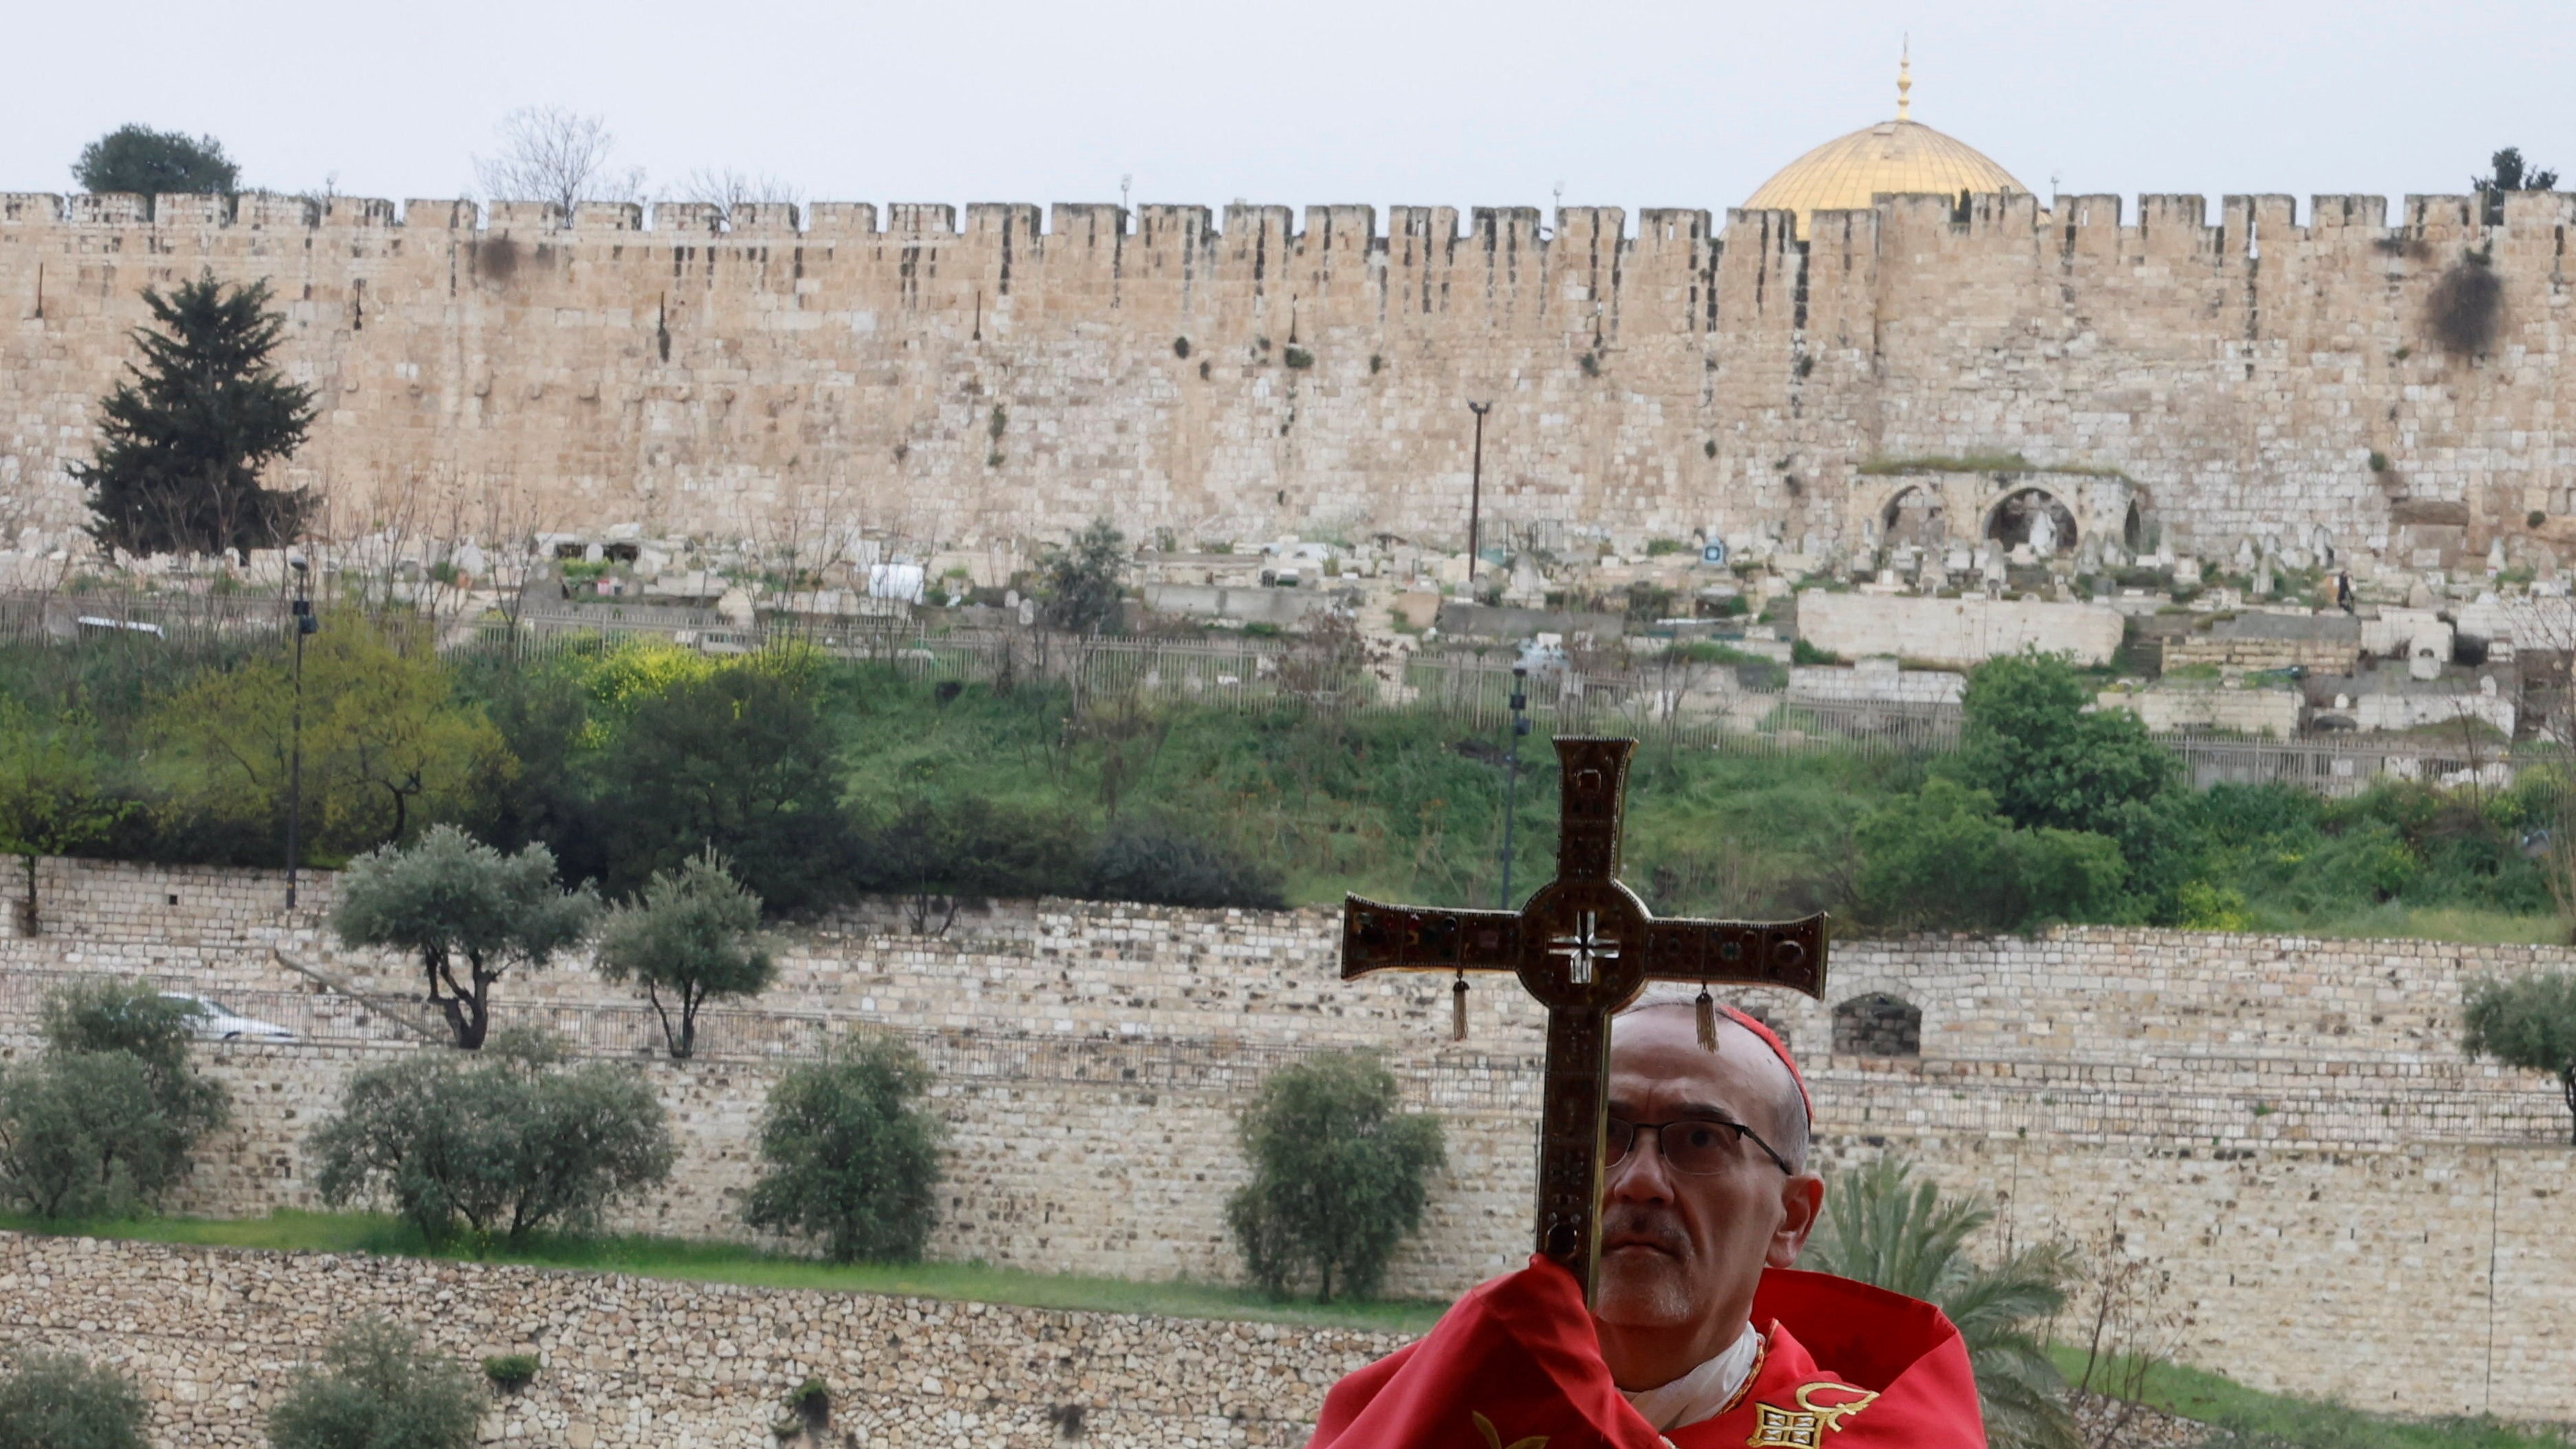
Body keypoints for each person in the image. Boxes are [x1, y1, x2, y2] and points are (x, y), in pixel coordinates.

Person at [1307, 1002, 1982, 1448]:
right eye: (1606, 1135)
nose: (1638, 1179)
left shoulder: (1881, 1439)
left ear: (1792, 1216)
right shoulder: (1419, 1414)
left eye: (1697, 1139)